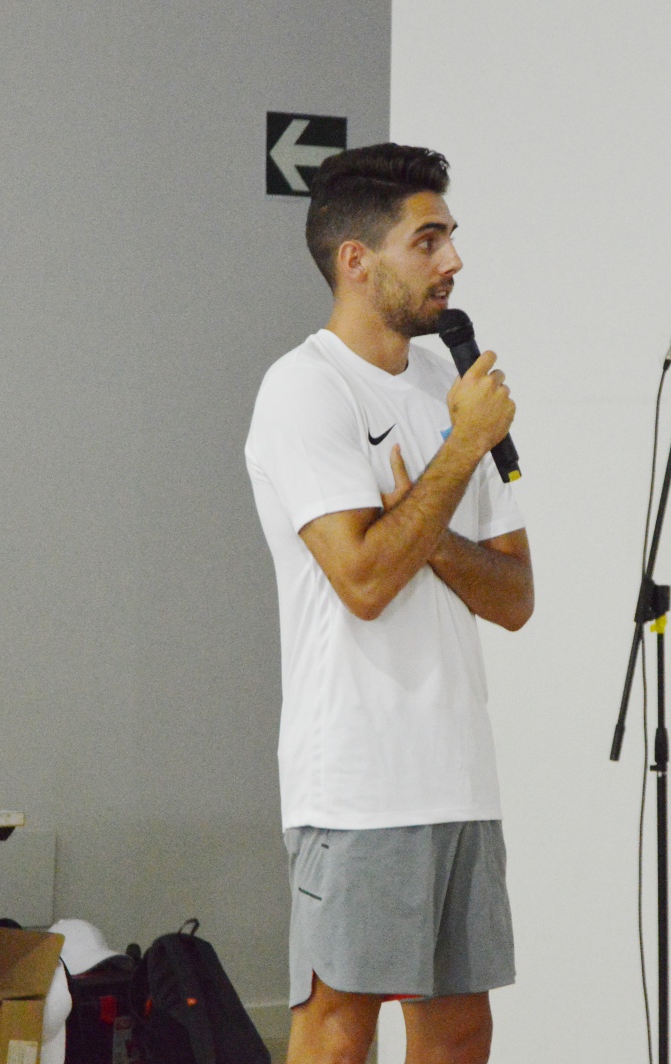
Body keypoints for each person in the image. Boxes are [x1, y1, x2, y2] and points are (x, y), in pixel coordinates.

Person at [244, 144, 533, 1064]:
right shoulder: (305, 388)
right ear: (356, 261)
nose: (453, 261)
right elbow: (364, 581)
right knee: (339, 1028)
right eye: (428, 240)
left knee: (460, 1030)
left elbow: (515, 595)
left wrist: (428, 518)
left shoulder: (449, 390)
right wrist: (460, 452)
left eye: (450, 237)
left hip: (459, 768)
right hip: (359, 777)